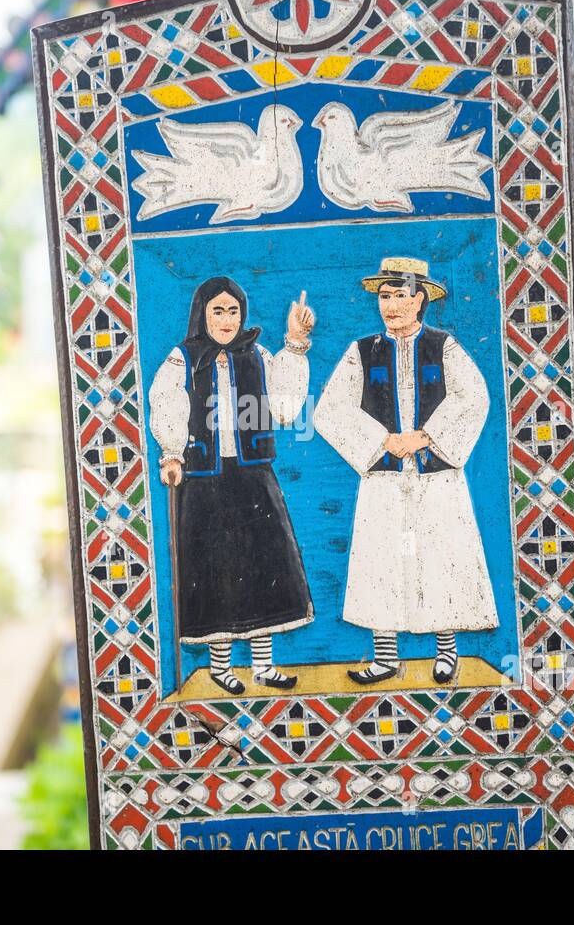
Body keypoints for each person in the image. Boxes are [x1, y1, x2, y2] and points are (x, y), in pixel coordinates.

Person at [313, 257, 498, 685]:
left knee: (442, 555)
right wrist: (383, 441)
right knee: (381, 558)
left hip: (437, 475)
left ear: (419, 300)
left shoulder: (443, 345)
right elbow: (329, 409)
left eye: (400, 295)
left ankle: (446, 651)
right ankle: (385, 657)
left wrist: (428, 436)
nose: (391, 305)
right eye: (385, 296)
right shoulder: (362, 351)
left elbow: (474, 397)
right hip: (383, 477)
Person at [148, 276, 316, 695]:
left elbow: (285, 408)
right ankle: (221, 666)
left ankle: (263, 665)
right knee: (214, 569)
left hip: (253, 476)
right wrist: (171, 453)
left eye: (233, 311)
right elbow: (167, 402)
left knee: (265, 566)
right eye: (217, 311)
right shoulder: (182, 359)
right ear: (202, 314)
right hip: (204, 480)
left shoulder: (257, 355)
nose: (226, 320)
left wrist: (294, 344)